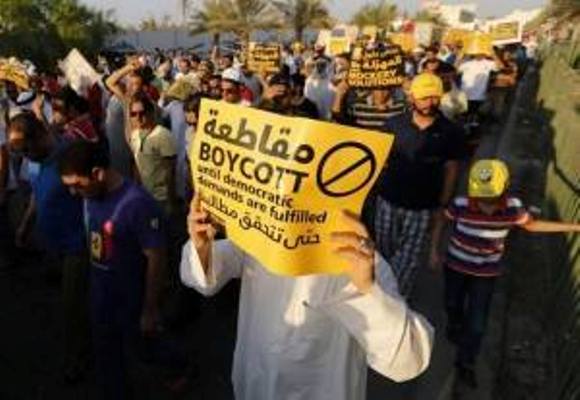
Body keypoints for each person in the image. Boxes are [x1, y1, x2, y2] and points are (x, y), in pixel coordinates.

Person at [180, 193, 434, 400]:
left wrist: (368, 289)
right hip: (257, 384)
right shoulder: (260, 236)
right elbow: (202, 279)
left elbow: (407, 361)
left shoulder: (362, 261)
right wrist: (202, 246)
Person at [429, 159, 580, 392]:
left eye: (490, 196)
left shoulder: (513, 208)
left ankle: (466, 361)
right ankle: (454, 323)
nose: (484, 202)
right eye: (481, 195)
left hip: (485, 273)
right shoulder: (461, 204)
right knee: (452, 303)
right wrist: (434, 250)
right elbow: (442, 219)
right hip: (456, 267)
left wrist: (573, 227)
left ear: (504, 189)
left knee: (477, 323)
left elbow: (532, 225)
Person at [57, 141, 167, 399]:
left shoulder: (138, 204)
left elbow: (157, 257)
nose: (73, 193)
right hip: (101, 296)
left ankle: (179, 366)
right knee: (107, 355)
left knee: (143, 345)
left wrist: (150, 309)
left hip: (130, 298)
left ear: (97, 173)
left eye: (77, 185)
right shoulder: (91, 196)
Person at [7, 112, 91, 382]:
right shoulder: (38, 160)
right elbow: (37, 192)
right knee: (68, 302)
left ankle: (80, 360)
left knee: (73, 307)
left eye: (26, 149)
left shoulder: (70, 155)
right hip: (54, 248)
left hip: (77, 247)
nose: (25, 156)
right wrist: (25, 224)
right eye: (19, 152)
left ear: (41, 136)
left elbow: (94, 196)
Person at [373, 73, 467, 297]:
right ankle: (378, 296)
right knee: (383, 255)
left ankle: (398, 301)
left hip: (422, 208)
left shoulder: (451, 131)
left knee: (408, 261)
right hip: (388, 201)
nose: (429, 103)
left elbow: (452, 168)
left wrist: (443, 204)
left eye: (434, 97)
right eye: (424, 97)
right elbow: (378, 158)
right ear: (412, 97)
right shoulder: (393, 124)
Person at [128, 93, 177, 215]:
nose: (138, 117)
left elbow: (170, 171)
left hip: (161, 198)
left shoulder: (163, 135)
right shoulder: (134, 135)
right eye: (133, 114)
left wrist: (170, 201)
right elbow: (136, 164)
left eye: (142, 113)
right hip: (143, 196)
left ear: (150, 112)